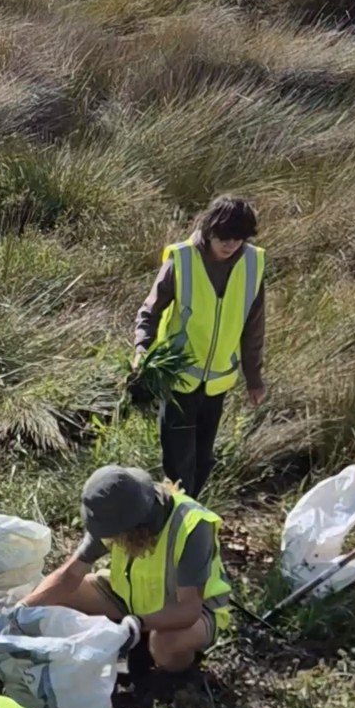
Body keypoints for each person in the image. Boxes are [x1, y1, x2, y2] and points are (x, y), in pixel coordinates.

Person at [22, 464, 233, 675]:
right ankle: (134, 636)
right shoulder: (112, 512)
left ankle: (177, 677)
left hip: (193, 613)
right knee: (57, 594)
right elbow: (70, 575)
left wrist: (137, 623)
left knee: (165, 644)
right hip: (129, 599)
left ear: (136, 527)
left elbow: (188, 609)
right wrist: (22, 609)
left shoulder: (192, 527)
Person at [134, 195, 266, 496]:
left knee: (203, 458)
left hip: (217, 381)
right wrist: (142, 350)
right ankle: (180, 515)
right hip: (179, 378)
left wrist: (254, 378)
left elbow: (254, 325)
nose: (230, 245)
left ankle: (186, 511)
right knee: (179, 460)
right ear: (209, 228)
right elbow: (149, 312)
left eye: (238, 238)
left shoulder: (253, 263)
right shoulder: (182, 259)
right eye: (223, 237)